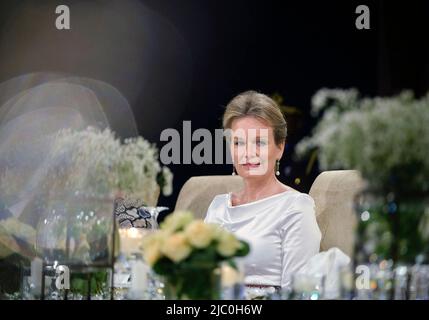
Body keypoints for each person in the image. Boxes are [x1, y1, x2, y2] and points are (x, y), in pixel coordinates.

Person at [204, 91, 321, 292]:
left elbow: (298, 293)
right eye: (239, 142)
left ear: (280, 147)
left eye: (259, 142)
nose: (248, 152)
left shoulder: (295, 207)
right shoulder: (218, 206)